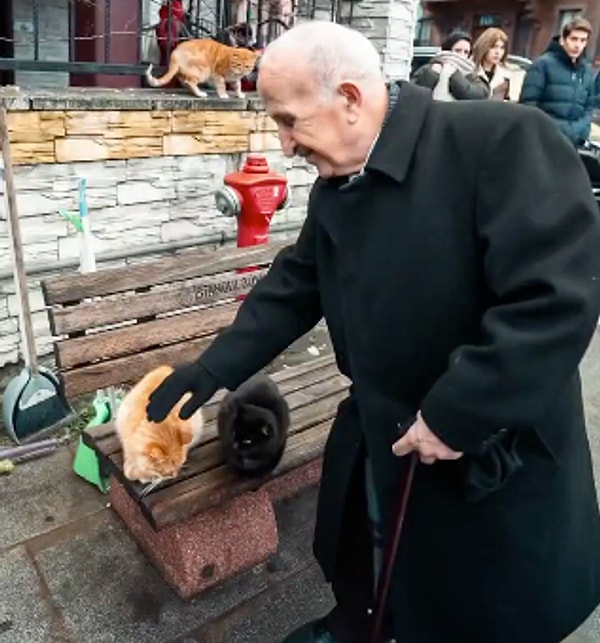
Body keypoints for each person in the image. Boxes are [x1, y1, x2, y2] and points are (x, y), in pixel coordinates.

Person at [146, 20, 600, 643]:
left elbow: (557, 300)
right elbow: (296, 284)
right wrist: (212, 370)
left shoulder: (504, 141)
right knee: (382, 576)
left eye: (288, 120)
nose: (283, 146)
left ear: (351, 100)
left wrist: (459, 411)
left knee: (475, 608)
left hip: (488, 444)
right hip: (382, 431)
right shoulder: (340, 184)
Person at [519, 16, 595, 147]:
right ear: (562, 40)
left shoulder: (586, 70)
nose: (578, 45)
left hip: (573, 143)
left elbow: (588, 107)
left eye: (583, 40)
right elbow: (528, 105)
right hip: (544, 140)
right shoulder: (543, 65)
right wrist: (552, 130)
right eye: (574, 39)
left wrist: (581, 132)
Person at [411, 31, 489, 101]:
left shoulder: (471, 72)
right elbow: (414, 94)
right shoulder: (429, 68)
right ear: (448, 50)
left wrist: (454, 75)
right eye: (458, 50)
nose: (462, 55)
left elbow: (480, 95)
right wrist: (432, 74)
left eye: (466, 52)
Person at [472, 27, 511, 100]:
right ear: (484, 47)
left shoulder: (505, 76)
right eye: (494, 47)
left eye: (502, 48)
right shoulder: (470, 70)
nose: (498, 52)